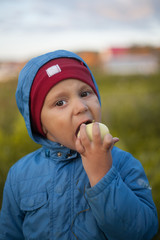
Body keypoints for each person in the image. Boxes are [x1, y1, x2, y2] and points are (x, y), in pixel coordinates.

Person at [0, 50, 158, 240]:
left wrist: (102, 174)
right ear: (40, 124)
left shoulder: (125, 164)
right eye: (60, 102)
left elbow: (141, 232)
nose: (81, 107)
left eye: (85, 93)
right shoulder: (19, 175)